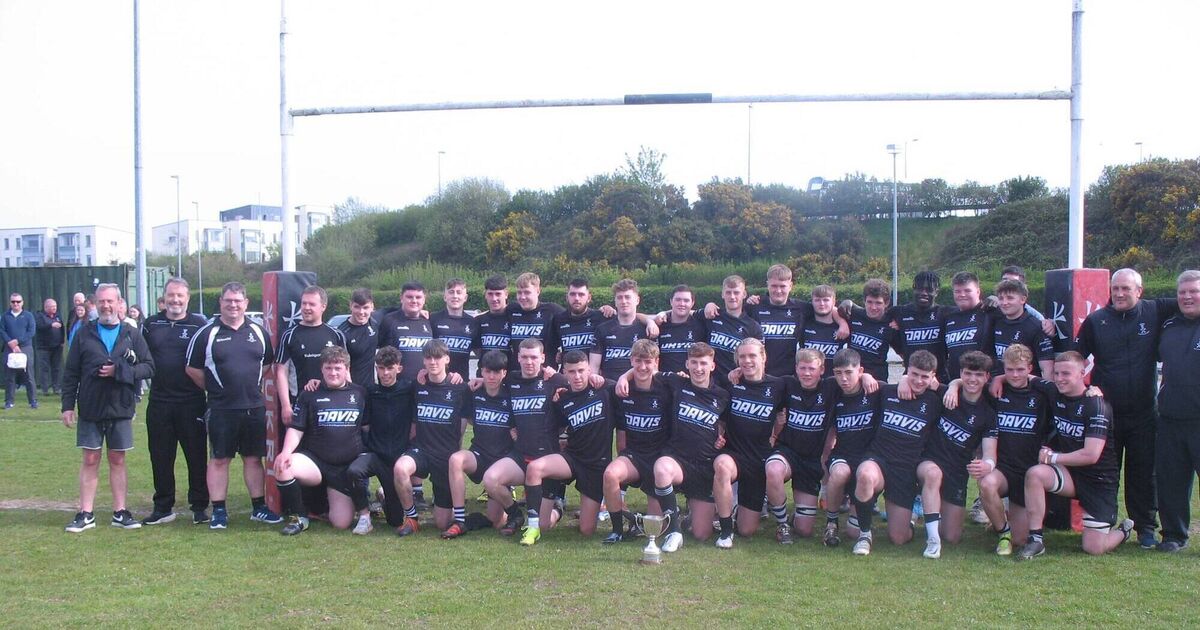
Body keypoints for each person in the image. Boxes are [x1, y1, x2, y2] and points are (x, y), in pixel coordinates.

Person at [1074, 268, 1178, 548]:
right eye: (1115, 288)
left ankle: (1145, 527)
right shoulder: (1097, 320)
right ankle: (1103, 523)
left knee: (1143, 472)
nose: (1119, 294)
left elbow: (1190, 301)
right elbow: (1075, 357)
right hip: (1107, 415)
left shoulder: (1155, 310)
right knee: (1105, 472)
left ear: (1139, 291)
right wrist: (1082, 387)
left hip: (1144, 413)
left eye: (1125, 289)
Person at [1017, 351, 1134, 559]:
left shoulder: (1096, 405)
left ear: (1082, 374)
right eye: (1056, 373)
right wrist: (966, 382)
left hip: (1098, 481)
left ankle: (1123, 531)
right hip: (1071, 473)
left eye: (1066, 374)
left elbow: (1091, 455)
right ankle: (1035, 540)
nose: (1059, 378)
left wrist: (1053, 457)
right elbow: (1022, 376)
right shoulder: (1053, 390)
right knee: (1035, 474)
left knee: (1094, 548)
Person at [185, 281, 282, 530]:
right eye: (228, 300)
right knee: (220, 460)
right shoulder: (207, 333)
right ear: (221, 302)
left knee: (253, 459)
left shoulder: (258, 331)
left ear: (246, 303)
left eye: (238, 301)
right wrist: (216, 388)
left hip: (254, 407)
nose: (233, 305)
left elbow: (267, 364)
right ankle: (219, 511)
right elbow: (192, 369)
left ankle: (259, 508)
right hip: (221, 409)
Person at [61, 283, 155, 532]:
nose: (106, 306)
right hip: (91, 406)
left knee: (117, 459)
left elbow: (149, 367)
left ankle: (120, 512)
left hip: (120, 407)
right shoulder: (84, 333)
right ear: (96, 303)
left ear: (119, 303)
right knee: (90, 458)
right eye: (101, 301)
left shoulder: (131, 333)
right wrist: (67, 406)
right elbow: (71, 373)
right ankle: (85, 513)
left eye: (110, 301)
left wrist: (120, 371)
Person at [519, 350, 617, 545]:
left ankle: (558, 510)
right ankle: (535, 524)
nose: (577, 376)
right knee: (535, 468)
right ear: (564, 372)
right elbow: (553, 427)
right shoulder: (562, 398)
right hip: (572, 458)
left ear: (589, 370)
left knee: (586, 530)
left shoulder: (605, 389)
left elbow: (628, 383)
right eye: (572, 372)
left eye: (581, 370)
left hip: (596, 465)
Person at [850, 350, 942, 556]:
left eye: (924, 376)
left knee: (899, 538)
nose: (918, 381)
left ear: (933, 376)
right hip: (879, 459)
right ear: (906, 370)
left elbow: (966, 390)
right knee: (865, 474)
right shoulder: (888, 392)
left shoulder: (935, 401)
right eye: (914, 374)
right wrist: (866, 375)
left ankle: (911, 519)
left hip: (905, 469)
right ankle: (864, 535)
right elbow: (855, 381)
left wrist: (953, 385)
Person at [641, 342, 731, 552]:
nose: (698, 368)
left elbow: (724, 423)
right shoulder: (677, 382)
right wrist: (623, 379)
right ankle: (674, 532)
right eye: (694, 363)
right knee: (661, 468)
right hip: (678, 460)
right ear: (687, 364)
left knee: (701, 534)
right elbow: (646, 370)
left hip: (704, 466)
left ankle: (688, 517)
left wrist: (721, 435)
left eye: (703, 363)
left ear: (712, 366)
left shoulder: (722, 395)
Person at [274, 346, 373, 536]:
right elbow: (296, 429)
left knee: (341, 523)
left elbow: (367, 428)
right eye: (328, 368)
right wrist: (286, 452)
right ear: (321, 369)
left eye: (338, 368)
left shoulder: (360, 393)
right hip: (316, 463)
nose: (333, 373)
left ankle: (341, 502)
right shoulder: (309, 394)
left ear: (347, 369)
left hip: (345, 468)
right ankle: (299, 518)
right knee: (283, 466)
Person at [140, 278, 212, 525]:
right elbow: (140, 357)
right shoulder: (151, 324)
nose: (175, 300)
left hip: (191, 402)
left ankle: (199, 506)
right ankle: (163, 507)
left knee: (196, 456)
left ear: (187, 298)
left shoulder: (199, 325)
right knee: (160, 456)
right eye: (171, 295)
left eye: (180, 295)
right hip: (159, 402)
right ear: (164, 297)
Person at [480, 338, 568, 536]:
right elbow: (491, 381)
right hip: (520, 455)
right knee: (491, 479)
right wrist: (477, 381)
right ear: (518, 358)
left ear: (543, 358)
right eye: (525, 357)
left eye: (534, 357)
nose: (529, 362)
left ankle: (557, 508)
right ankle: (515, 514)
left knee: (543, 525)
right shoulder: (511, 380)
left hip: (546, 459)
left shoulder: (555, 380)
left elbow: (580, 385)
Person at [916, 350, 998, 559]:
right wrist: (952, 385)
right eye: (968, 373)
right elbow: (916, 379)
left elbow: (990, 453)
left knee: (952, 536)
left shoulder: (988, 413)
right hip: (929, 461)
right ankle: (932, 540)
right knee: (933, 474)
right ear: (961, 373)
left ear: (987, 377)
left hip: (957, 472)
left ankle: (929, 511)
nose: (972, 379)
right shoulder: (946, 392)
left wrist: (987, 465)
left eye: (978, 375)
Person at [976, 344, 1056, 555]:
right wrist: (955, 385)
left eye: (1020, 369)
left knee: (1021, 539)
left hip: (1028, 472)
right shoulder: (996, 390)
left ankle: (1007, 520)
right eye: (1009, 370)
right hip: (1004, 468)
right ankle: (1003, 532)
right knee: (986, 484)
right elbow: (967, 384)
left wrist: (1093, 391)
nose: (1014, 375)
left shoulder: (1041, 393)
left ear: (1030, 368)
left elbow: (1067, 389)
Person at [274, 285, 346, 519]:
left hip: (330, 408)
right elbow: (280, 371)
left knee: (328, 452)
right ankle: (301, 508)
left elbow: (345, 369)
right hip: (300, 406)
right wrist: (286, 405)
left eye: (311, 304)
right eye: (303, 303)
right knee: (301, 455)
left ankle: (326, 505)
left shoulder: (335, 334)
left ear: (323, 306)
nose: (306, 308)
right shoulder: (290, 334)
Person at [711, 338, 785, 548]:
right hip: (733, 454)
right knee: (722, 467)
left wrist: (775, 437)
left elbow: (783, 415)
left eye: (752, 355)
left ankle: (733, 510)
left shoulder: (779, 385)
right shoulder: (731, 384)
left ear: (763, 357)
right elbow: (720, 418)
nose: (747, 361)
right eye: (742, 357)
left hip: (759, 459)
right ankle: (726, 530)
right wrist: (718, 435)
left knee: (746, 530)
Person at [392, 340, 470, 536]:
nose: (433, 362)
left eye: (437, 357)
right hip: (421, 450)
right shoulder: (417, 385)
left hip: (445, 455)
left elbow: (465, 421)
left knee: (442, 523)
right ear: (423, 361)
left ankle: (464, 518)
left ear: (447, 359)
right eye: (428, 358)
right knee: (400, 468)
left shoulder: (460, 388)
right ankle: (411, 518)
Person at [765, 349, 837, 543]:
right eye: (802, 368)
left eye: (811, 369)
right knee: (773, 469)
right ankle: (782, 524)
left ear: (822, 369)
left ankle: (796, 517)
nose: (806, 373)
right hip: (787, 451)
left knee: (804, 530)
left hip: (811, 460)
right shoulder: (787, 384)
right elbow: (759, 380)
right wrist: (737, 372)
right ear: (796, 368)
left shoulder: (831, 387)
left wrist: (866, 377)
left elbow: (856, 379)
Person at [602, 338, 669, 543]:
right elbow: (621, 431)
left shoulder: (667, 386)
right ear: (631, 360)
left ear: (656, 362)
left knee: (656, 527)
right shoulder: (622, 390)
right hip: (635, 456)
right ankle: (617, 530)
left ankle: (643, 521)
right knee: (610, 474)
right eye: (638, 361)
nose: (642, 366)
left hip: (660, 458)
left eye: (648, 361)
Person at [442, 350, 513, 539]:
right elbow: (464, 421)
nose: (491, 376)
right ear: (481, 371)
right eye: (488, 372)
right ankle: (459, 520)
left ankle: (503, 503)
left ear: (504, 373)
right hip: (479, 454)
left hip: (502, 460)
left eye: (496, 372)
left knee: (496, 521)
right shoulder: (473, 393)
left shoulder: (511, 395)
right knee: (456, 459)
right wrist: (455, 445)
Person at [1153, 269, 1200, 553]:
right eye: (1182, 292)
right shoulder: (1169, 324)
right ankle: (1173, 535)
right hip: (1170, 418)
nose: (1187, 297)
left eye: (1194, 291)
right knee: (1171, 482)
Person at [347, 346, 414, 531]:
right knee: (354, 471)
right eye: (381, 368)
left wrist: (454, 376)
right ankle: (364, 516)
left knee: (395, 521)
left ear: (399, 368)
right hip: (376, 456)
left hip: (398, 459)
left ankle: (384, 495)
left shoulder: (409, 389)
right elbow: (365, 424)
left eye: (390, 368)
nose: (385, 373)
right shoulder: (369, 391)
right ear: (376, 368)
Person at [701, 275, 762, 385]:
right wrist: (664, 315)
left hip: (736, 383)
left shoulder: (753, 327)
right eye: (728, 292)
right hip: (710, 384)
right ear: (722, 294)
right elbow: (686, 313)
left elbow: (760, 359)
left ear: (744, 294)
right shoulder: (712, 315)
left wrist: (742, 370)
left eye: (736, 292)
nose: (732, 296)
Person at [991, 279, 1055, 377]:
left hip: (1027, 385)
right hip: (1000, 384)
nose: (1004, 302)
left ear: (1023, 299)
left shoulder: (1036, 327)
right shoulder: (995, 321)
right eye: (1001, 298)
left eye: (1010, 298)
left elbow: (1047, 369)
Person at [591, 279, 650, 380]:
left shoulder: (647, 330)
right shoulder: (602, 329)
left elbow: (653, 367)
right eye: (619, 297)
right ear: (615, 301)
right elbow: (593, 368)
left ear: (637, 300)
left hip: (637, 386)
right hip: (609, 386)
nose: (623, 301)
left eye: (627, 297)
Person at [504, 272, 564, 372]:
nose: (522, 297)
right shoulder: (512, 309)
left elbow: (574, 321)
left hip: (545, 374)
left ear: (538, 291)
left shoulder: (552, 311)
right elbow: (492, 313)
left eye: (527, 292)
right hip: (517, 375)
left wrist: (564, 353)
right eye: (519, 293)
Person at [842, 279, 899, 382]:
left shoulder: (891, 323)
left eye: (878, 303)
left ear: (886, 303)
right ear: (864, 301)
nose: (873, 307)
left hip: (876, 381)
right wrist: (842, 323)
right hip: (852, 379)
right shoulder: (853, 314)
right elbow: (833, 311)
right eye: (869, 302)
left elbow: (904, 352)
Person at [941, 272, 993, 381]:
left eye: (967, 291)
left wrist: (996, 299)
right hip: (954, 383)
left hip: (983, 383)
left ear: (978, 291)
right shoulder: (948, 317)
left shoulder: (990, 312)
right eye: (957, 291)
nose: (962, 295)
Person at [379, 281, 434, 376]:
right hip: (397, 383)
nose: (414, 301)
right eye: (409, 297)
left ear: (424, 299)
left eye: (418, 297)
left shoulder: (429, 321)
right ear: (401, 298)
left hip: (424, 382)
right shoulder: (389, 320)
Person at [654, 285, 705, 373]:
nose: (682, 304)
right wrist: (651, 321)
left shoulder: (701, 324)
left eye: (686, 300)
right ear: (671, 301)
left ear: (692, 303)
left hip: (691, 380)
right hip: (664, 380)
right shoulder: (659, 323)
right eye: (678, 300)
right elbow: (638, 317)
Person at [431, 278, 474, 379]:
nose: (455, 296)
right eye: (451, 292)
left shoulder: (472, 322)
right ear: (445, 297)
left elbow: (480, 352)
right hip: (437, 381)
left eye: (459, 292)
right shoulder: (432, 319)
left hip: (462, 382)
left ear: (465, 297)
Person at [337, 288, 380, 387]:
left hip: (372, 387)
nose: (361, 312)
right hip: (352, 388)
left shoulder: (375, 323)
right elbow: (341, 364)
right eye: (357, 307)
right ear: (350, 306)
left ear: (372, 307)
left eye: (365, 307)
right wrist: (351, 389)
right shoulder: (342, 332)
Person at [2, 292, 37, 409]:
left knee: (29, 375)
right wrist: (11, 343)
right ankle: (9, 402)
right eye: (13, 301)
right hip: (9, 348)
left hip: (25, 348)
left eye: (18, 301)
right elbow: (2, 331)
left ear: (22, 302)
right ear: (10, 303)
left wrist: (17, 341)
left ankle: (33, 401)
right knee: (10, 376)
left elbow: (31, 332)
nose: (15, 304)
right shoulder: (5, 316)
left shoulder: (28, 316)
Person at [472, 275, 512, 371]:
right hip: (485, 375)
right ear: (485, 295)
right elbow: (476, 349)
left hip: (510, 375)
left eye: (498, 294)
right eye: (490, 294)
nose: (494, 299)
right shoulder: (478, 320)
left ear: (506, 294)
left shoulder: (515, 318)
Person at [35, 298, 65, 396]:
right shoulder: (40, 316)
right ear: (46, 307)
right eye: (52, 307)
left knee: (56, 368)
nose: (54, 308)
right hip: (44, 347)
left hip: (57, 347)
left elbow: (62, 328)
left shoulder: (58, 316)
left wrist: (62, 341)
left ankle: (56, 388)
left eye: (55, 306)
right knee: (44, 368)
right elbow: (39, 326)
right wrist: (51, 325)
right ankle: (45, 389)